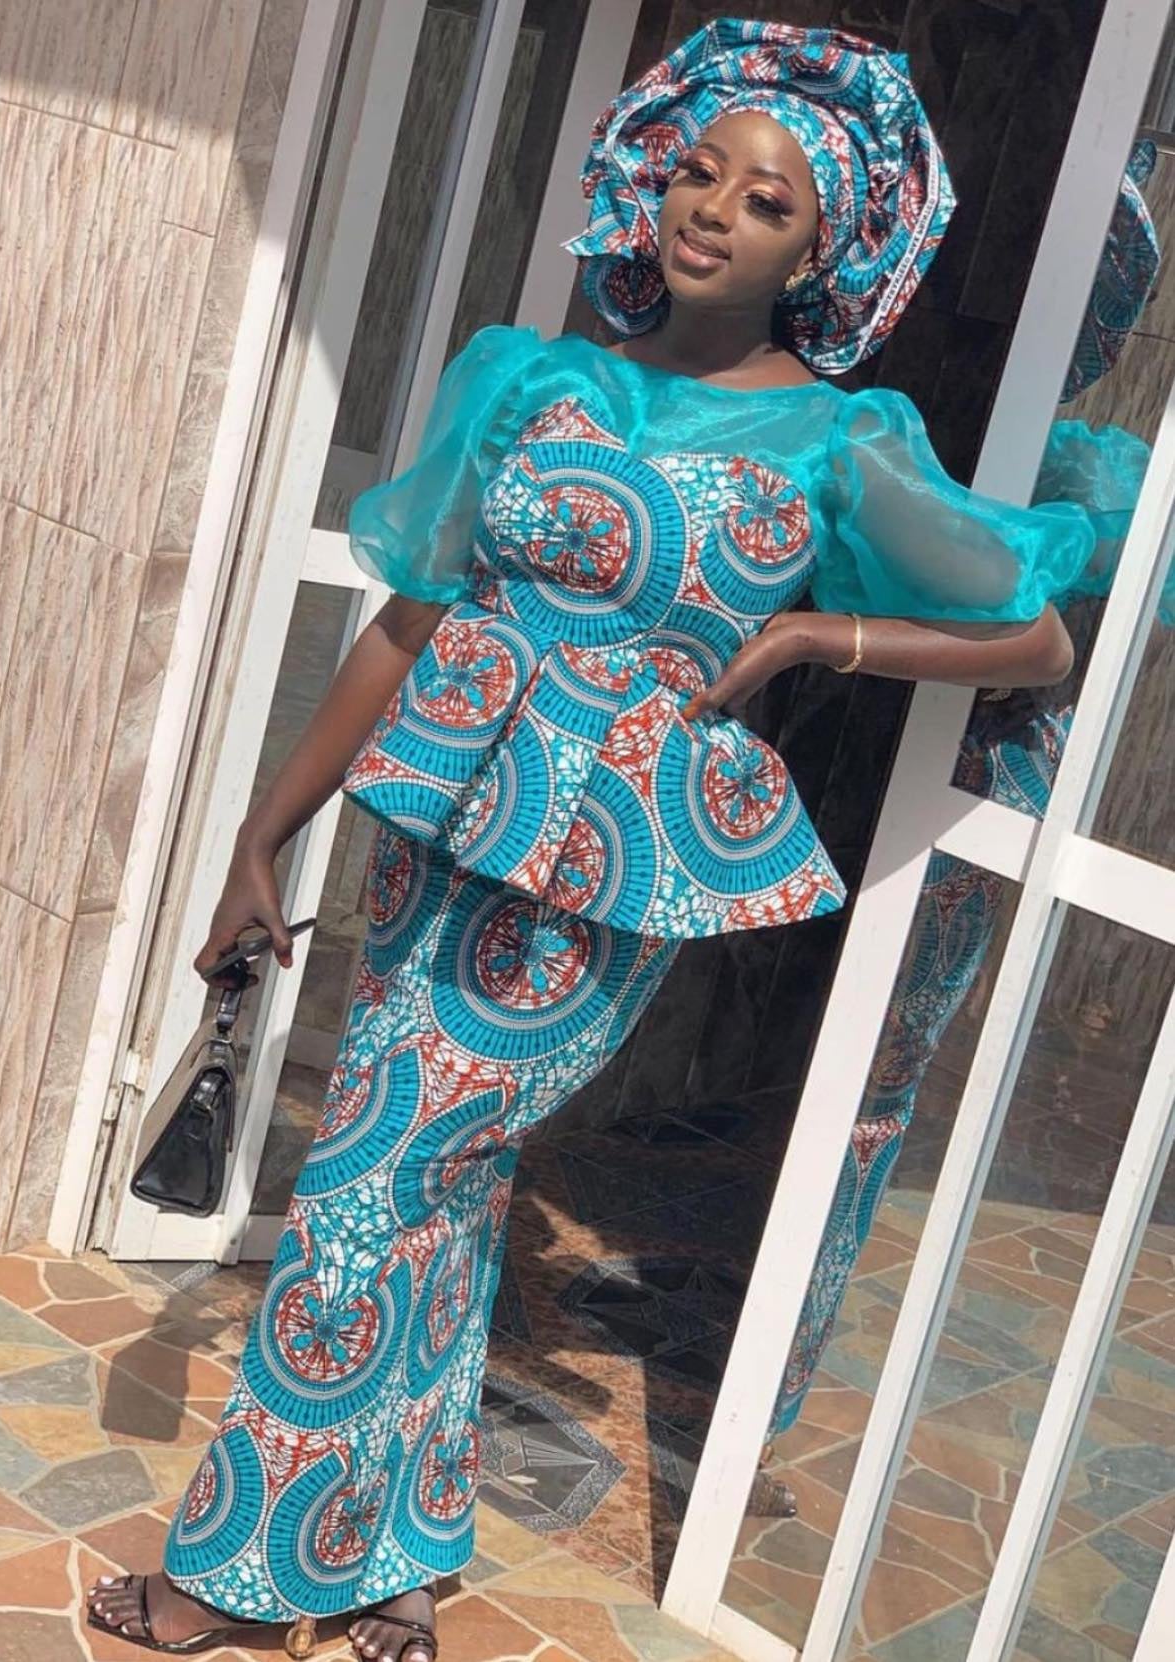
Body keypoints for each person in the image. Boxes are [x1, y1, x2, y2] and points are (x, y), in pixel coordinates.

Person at [87, 20, 1123, 1661]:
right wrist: (260, 836)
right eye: (697, 173)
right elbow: (407, 620)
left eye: (768, 202)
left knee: (369, 1179)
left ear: (819, 250)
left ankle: (233, 1574)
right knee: (441, 1184)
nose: (713, 210)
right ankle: (395, 1545)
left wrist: (813, 638)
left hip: (607, 867)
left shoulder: (838, 443)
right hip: (437, 821)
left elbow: (1031, 635)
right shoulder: (533, 380)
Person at [754, 138, 1168, 1518]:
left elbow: (1048, 635)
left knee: (871, 1094)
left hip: (974, 801)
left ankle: (765, 1401)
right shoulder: (885, 427)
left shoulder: (1091, 478)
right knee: (826, 1077)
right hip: (852, 766)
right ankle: (749, 1365)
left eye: (1093, 282)